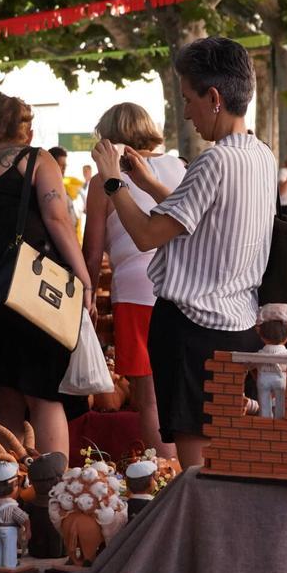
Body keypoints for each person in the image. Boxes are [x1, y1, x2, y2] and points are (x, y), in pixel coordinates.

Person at [90, 36, 274, 467]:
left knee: (197, 472)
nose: (187, 112)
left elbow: (148, 234)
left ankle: (202, 536)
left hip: (195, 329)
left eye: (189, 99)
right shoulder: (260, 155)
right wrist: (147, 180)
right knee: (231, 464)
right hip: (240, 323)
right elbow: (195, 211)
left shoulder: (214, 160)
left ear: (214, 98)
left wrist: (113, 180)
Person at [0, 91, 95, 455]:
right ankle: (53, 490)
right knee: (44, 393)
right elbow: (58, 220)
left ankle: (5, 490)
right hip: (25, 288)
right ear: (28, 133)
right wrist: (85, 281)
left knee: (3, 394)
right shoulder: (36, 159)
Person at [82, 102, 184, 458]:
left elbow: (92, 252)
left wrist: (88, 295)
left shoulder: (103, 182)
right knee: (185, 387)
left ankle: (165, 477)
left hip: (136, 291)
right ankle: (187, 473)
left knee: (150, 397)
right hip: (185, 289)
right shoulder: (181, 167)